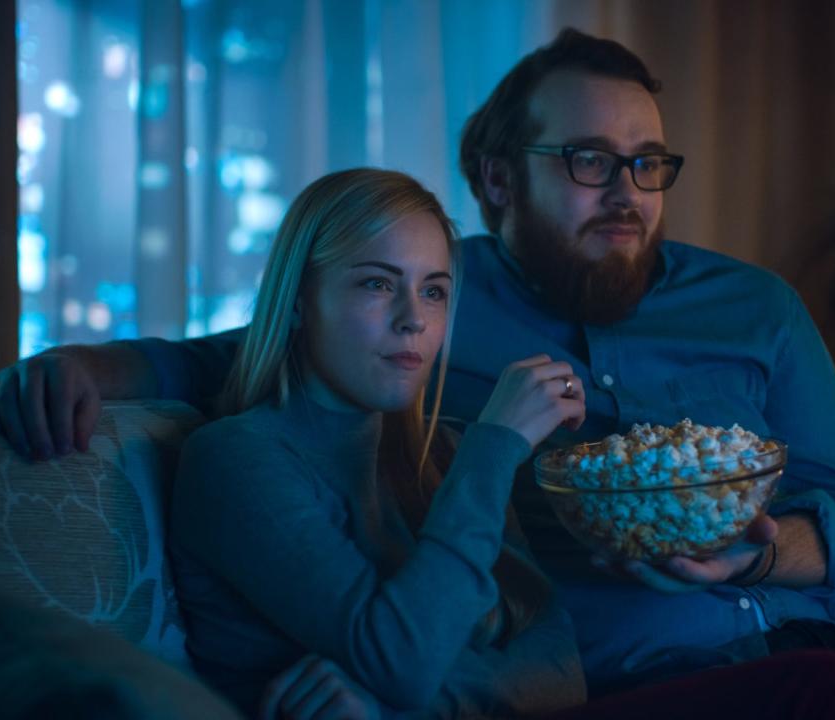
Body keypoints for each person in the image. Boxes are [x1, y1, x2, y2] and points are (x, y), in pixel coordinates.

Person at [0, 27, 835, 717]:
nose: (627, 193)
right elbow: (246, 354)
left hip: (819, 627)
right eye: (588, 160)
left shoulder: (756, 306)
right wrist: (89, 362)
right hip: (644, 675)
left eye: (648, 163)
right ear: (495, 178)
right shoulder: (438, 312)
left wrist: (758, 552)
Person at [164, 167, 589, 718]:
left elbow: (565, 668)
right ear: (297, 300)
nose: (413, 319)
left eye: (433, 291)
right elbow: (401, 662)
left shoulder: (446, 454)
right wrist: (497, 444)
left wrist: (406, 704)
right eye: (377, 283)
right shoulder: (234, 459)